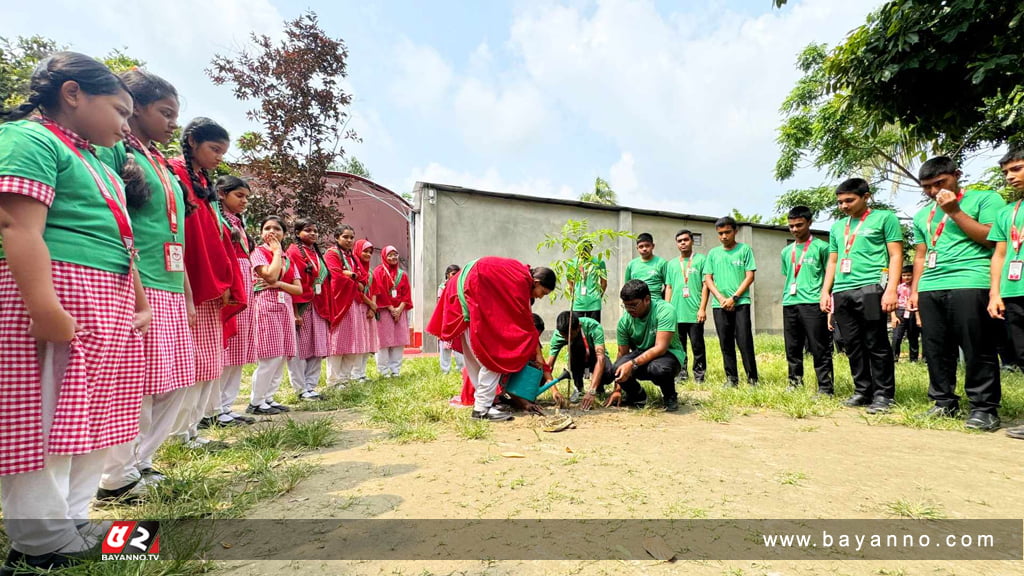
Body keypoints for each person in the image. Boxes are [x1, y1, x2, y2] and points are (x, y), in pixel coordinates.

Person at [0, 52, 149, 573]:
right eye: (120, 110)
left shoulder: (90, 156)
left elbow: (120, 235)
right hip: (58, 292)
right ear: (72, 94)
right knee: (45, 418)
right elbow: (18, 228)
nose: (125, 124)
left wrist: (137, 300)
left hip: (103, 297)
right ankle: (38, 539)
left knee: (92, 417)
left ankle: (74, 519)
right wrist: (44, 309)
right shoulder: (29, 139)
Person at [94, 69, 197, 504]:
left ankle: (142, 461)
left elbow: (175, 234)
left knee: (176, 379)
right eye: (165, 112)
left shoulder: (162, 163)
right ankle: (115, 476)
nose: (174, 123)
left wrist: (188, 292)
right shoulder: (115, 152)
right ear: (135, 108)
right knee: (137, 383)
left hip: (171, 283)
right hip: (139, 281)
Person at [168, 117, 245, 446]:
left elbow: (215, 238)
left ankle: (192, 428)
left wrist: (225, 278)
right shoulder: (174, 172)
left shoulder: (204, 182)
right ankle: (176, 433)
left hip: (212, 280)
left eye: (222, 152)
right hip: (191, 277)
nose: (218, 157)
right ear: (192, 141)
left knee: (209, 359)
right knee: (192, 361)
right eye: (214, 149)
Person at [911, 156, 1003, 430]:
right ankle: (943, 402)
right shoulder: (921, 215)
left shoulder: (985, 200)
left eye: (939, 183)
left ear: (957, 175)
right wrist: (916, 290)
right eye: (926, 187)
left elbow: (991, 238)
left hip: (970, 280)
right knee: (936, 348)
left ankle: (984, 409)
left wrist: (954, 211)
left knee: (977, 347)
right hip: (930, 286)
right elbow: (920, 254)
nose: (933, 191)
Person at [428, 257, 556, 421]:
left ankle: (483, 404)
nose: (540, 297)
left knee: (475, 358)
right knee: (496, 356)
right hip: (469, 292)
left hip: (461, 292)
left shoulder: (518, 272)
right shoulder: (521, 281)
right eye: (543, 293)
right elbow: (524, 321)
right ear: (536, 282)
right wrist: (537, 352)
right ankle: (482, 408)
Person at [820, 178, 902, 414]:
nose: (844, 206)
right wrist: (826, 291)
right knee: (851, 344)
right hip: (842, 291)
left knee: (875, 342)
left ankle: (883, 394)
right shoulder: (837, 227)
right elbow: (833, 261)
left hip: (870, 288)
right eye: (840, 202)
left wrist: (891, 289)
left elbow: (895, 255)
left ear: (866, 197)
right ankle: (862, 390)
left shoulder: (885, 218)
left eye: (849, 200)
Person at [247, 216, 303, 415]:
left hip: (284, 306)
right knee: (269, 357)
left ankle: (268, 398)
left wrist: (280, 285)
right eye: (267, 228)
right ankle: (256, 401)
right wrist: (277, 251)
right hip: (265, 304)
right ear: (261, 233)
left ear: (284, 234)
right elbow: (269, 274)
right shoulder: (258, 253)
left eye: (277, 229)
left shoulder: (288, 259)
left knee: (280, 356)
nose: (272, 232)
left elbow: (298, 289)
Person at [988, 146, 1024, 440]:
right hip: (1013, 291)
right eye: (1006, 172)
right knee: (1022, 354)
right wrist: (995, 293)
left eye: (1017, 169)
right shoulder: (1007, 213)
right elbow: (999, 255)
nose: (1010, 177)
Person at [215, 176, 257, 426]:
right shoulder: (218, 220)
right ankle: (214, 408)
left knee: (239, 347)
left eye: (246, 198)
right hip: (231, 280)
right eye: (239, 196)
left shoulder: (238, 223)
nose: (244, 201)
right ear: (221, 194)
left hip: (244, 280)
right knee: (226, 348)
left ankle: (227, 405)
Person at [606, 280, 685, 411]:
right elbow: (622, 354)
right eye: (626, 306)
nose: (630, 310)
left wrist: (632, 364)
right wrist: (617, 389)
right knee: (617, 367)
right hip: (641, 353)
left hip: (668, 355)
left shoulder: (665, 311)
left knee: (659, 369)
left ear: (647, 299)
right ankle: (638, 396)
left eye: (633, 305)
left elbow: (661, 348)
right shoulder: (624, 322)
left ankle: (670, 396)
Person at [780, 207, 834, 395]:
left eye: (799, 225)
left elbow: (830, 275)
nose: (795, 229)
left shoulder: (822, 247)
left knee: (819, 346)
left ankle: (825, 386)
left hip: (813, 303)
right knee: (792, 346)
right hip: (790, 302)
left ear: (810, 223)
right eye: (791, 226)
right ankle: (794, 382)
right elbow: (787, 274)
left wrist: (826, 299)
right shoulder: (787, 251)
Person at [704, 216, 759, 386]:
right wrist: (720, 298)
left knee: (744, 341)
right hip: (719, 305)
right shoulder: (713, 253)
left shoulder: (745, 250)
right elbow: (708, 278)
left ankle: (752, 379)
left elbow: (750, 276)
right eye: (720, 233)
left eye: (727, 232)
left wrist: (734, 297)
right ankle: (731, 378)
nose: (724, 236)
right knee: (725, 343)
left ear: (735, 231)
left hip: (740, 303)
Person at [286, 218, 331, 400]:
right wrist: (295, 312)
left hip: (318, 306)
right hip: (301, 305)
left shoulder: (317, 254)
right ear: (297, 233)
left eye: (315, 231)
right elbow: (292, 280)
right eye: (308, 230)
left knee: (316, 346)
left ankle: (311, 386)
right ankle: (300, 388)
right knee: (299, 349)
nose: (313, 233)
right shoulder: (293, 252)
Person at [324, 225, 373, 387]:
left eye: (352, 237)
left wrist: (352, 276)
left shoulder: (352, 256)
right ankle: (333, 380)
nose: (349, 240)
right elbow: (335, 276)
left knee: (353, 341)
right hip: (340, 302)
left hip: (355, 303)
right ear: (337, 238)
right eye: (345, 237)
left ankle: (345, 378)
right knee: (337, 343)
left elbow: (363, 277)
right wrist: (352, 277)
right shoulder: (332, 254)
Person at [663, 229, 709, 383]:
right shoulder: (671, 264)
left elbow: (705, 286)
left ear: (692, 241)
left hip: (695, 312)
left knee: (698, 346)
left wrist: (702, 308)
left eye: (685, 240)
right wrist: (667, 309)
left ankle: (699, 375)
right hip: (676, 313)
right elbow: (668, 287)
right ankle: (681, 374)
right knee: (678, 346)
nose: (682, 243)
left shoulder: (702, 260)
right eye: (679, 241)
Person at [546, 311, 614, 405]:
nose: (567, 339)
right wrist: (554, 390)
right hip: (576, 359)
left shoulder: (593, 326)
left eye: (570, 335)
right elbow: (548, 366)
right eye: (564, 336)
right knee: (575, 346)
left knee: (609, 373)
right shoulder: (558, 335)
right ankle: (578, 387)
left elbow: (600, 358)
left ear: (579, 327)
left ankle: (598, 386)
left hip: (594, 357)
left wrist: (592, 391)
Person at [373, 246, 413, 378]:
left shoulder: (402, 274)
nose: (393, 257)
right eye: (389, 255)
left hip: (399, 312)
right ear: (384, 256)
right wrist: (391, 309)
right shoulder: (378, 272)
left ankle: (395, 370)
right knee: (384, 342)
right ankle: (383, 371)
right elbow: (380, 292)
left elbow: (406, 294)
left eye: (395, 254)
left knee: (398, 341)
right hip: (385, 311)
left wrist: (399, 309)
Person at [351, 238, 380, 381]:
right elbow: (356, 291)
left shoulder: (369, 272)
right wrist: (371, 304)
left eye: (370, 252)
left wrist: (373, 308)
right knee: (359, 342)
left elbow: (374, 290)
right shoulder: (354, 270)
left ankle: (362, 372)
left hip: (368, 310)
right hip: (358, 307)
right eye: (365, 251)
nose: (368, 254)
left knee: (367, 342)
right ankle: (355, 374)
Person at [438, 264, 465, 374]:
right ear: (447, 275)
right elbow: (440, 304)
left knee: (459, 344)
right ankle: (445, 369)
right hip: (447, 319)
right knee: (445, 346)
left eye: (458, 274)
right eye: (453, 274)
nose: (455, 276)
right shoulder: (442, 287)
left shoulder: (461, 286)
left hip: (458, 319)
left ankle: (461, 368)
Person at [570, 242, 607, 322]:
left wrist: (598, 297)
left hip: (594, 303)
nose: (583, 250)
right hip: (578, 303)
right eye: (581, 248)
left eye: (586, 248)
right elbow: (570, 282)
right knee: (576, 330)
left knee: (594, 330)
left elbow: (604, 283)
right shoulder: (572, 263)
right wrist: (574, 297)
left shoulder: (599, 262)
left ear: (591, 248)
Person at [625, 233, 668, 300]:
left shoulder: (662, 263)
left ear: (653, 246)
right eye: (641, 246)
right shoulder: (631, 264)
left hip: (655, 302)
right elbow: (627, 287)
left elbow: (668, 286)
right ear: (637, 248)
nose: (644, 249)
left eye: (647, 246)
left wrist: (663, 302)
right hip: (636, 303)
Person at [890, 265, 920, 363]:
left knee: (913, 336)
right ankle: (894, 358)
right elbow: (892, 303)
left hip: (913, 312)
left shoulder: (916, 289)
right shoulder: (899, 288)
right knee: (897, 336)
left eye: (909, 275)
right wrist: (893, 316)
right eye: (904, 275)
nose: (906, 277)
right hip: (900, 311)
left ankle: (914, 359)